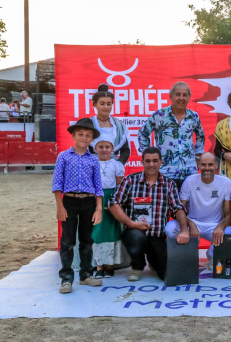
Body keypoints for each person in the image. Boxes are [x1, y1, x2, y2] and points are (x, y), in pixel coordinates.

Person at [108, 147, 190, 282]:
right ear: (142, 162)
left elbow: (178, 208)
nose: (151, 164)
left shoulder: (169, 184)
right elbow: (113, 203)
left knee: (166, 274)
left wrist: (184, 230)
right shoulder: (130, 181)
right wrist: (131, 223)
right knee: (136, 237)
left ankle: (153, 261)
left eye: (155, 161)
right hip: (134, 232)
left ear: (161, 162)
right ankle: (137, 266)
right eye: (148, 161)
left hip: (157, 235)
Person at [52, 118, 104, 294]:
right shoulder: (63, 157)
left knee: (87, 240)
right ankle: (66, 278)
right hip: (70, 201)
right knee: (67, 241)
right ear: (73, 135)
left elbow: (98, 186)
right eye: (80, 134)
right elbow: (57, 184)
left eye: (88, 135)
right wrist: (60, 206)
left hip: (89, 202)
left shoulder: (94, 160)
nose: (84, 137)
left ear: (92, 139)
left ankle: (86, 275)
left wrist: (98, 208)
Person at [165, 152, 231, 266]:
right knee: (170, 228)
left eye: (210, 165)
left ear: (216, 166)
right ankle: (186, 255)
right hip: (192, 223)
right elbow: (178, 209)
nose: (207, 168)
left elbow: (229, 215)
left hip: (214, 226)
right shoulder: (190, 181)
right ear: (198, 165)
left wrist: (221, 226)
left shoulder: (226, 182)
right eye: (203, 164)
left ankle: (213, 254)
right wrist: (191, 224)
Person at [138, 81, 205, 190]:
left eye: (185, 95)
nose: (181, 98)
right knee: (165, 205)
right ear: (171, 96)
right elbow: (143, 134)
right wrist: (149, 155)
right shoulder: (160, 115)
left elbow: (200, 135)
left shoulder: (194, 116)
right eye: (178, 94)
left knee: (188, 205)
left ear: (189, 97)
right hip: (165, 171)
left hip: (189, 171)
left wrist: (198, 155)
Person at [91, 136, 125, 279]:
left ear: (112, 149)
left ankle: (110, 265)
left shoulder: (117, 165)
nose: (104, 150)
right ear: (95, 148)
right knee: (97, 231)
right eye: (101, 147)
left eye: (107, 147)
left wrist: (116, 202)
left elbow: (119, 186)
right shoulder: (91, 163)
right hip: (95, 197)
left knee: (112, 230)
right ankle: (99, 266)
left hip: (111, 198)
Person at [89, 84, 131, 164]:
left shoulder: (119, 126)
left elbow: (125, 150)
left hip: (113, 166)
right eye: (102, 104)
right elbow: (81, 148)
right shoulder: (88, 124)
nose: (106, 107)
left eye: (109, 104)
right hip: (92, 166)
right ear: (94, 104)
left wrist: (119, 165)